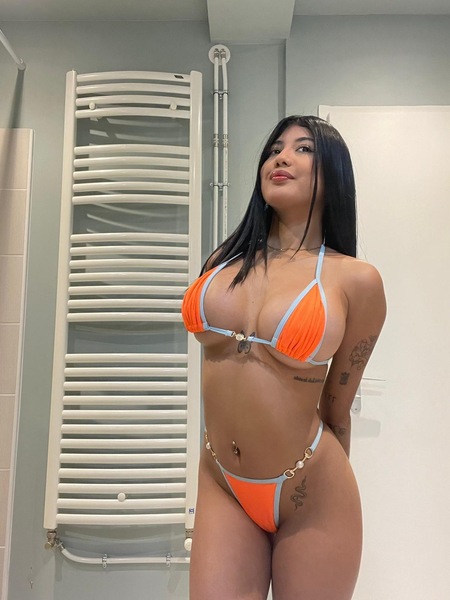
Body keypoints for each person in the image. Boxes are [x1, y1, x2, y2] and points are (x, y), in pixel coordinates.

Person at [181, 115, 386, 600]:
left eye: (303, 148)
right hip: (222, 481)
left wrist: (317, 488)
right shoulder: (222, 263)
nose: (282, 157)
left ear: (334, 174)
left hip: (310, 490)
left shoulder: (355, 280)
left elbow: (337, 409)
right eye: (275, 148)